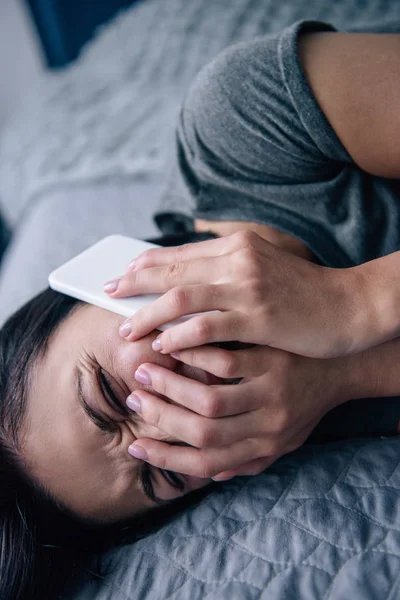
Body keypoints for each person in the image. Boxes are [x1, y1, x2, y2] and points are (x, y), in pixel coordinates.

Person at [1, 19, 400, 600]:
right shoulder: (300, 426)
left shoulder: (242, 120)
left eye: (112, 396)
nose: (179, 419)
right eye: (162, 470)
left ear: (92, 282)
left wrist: (355, 301)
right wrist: (343, 377)